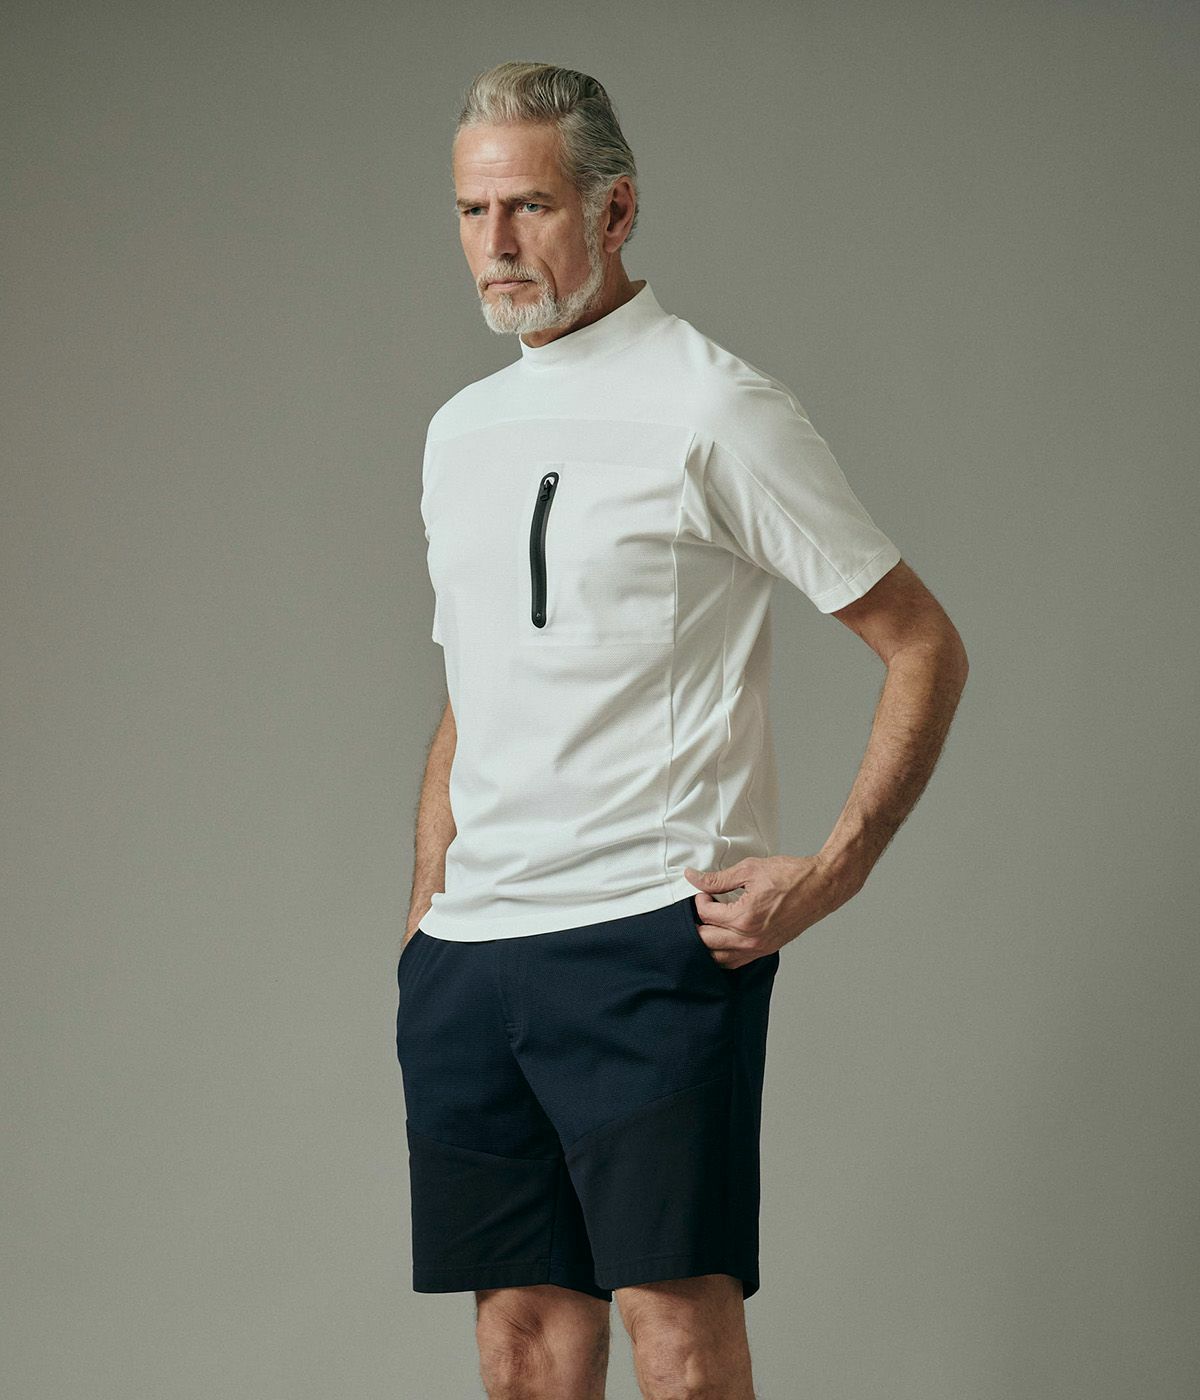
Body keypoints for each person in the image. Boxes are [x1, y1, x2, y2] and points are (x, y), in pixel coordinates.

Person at [397, 60, 969, 1400]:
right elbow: (478, 681)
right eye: (473, 211)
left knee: (678, 1341)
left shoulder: (712, 406)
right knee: (521, 1344)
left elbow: (922, 645)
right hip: (472, 962)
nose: (496, 243)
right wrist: (428, 905)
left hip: (645, 942)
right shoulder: (459, 432)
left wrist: (830, 873)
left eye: (530, 206)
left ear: (615, 210)